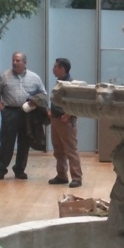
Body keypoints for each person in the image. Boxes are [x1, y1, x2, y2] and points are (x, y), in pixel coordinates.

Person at [0, 52, 46, 180]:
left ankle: (19, 169)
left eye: (18, 60)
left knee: (24, 143)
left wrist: (35, 101)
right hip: (10, 112)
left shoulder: (34, 77)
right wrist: (2, 109)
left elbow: (43, 94)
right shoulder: (4, 76)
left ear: (25, 63)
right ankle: (0, 170)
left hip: (27, 114)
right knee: (6, 142)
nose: (14, 63)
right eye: (13, 60)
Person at [48, 57, 82, 188]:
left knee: (71, 150)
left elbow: (76, 103)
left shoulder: (71, 84)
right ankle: (61, 175)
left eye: (55, 67)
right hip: (55, 119)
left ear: (63, 69)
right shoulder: (59, 83)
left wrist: (68, 115)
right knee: (58, 150)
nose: (53, 69)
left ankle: (77, 177)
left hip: (66, 120)